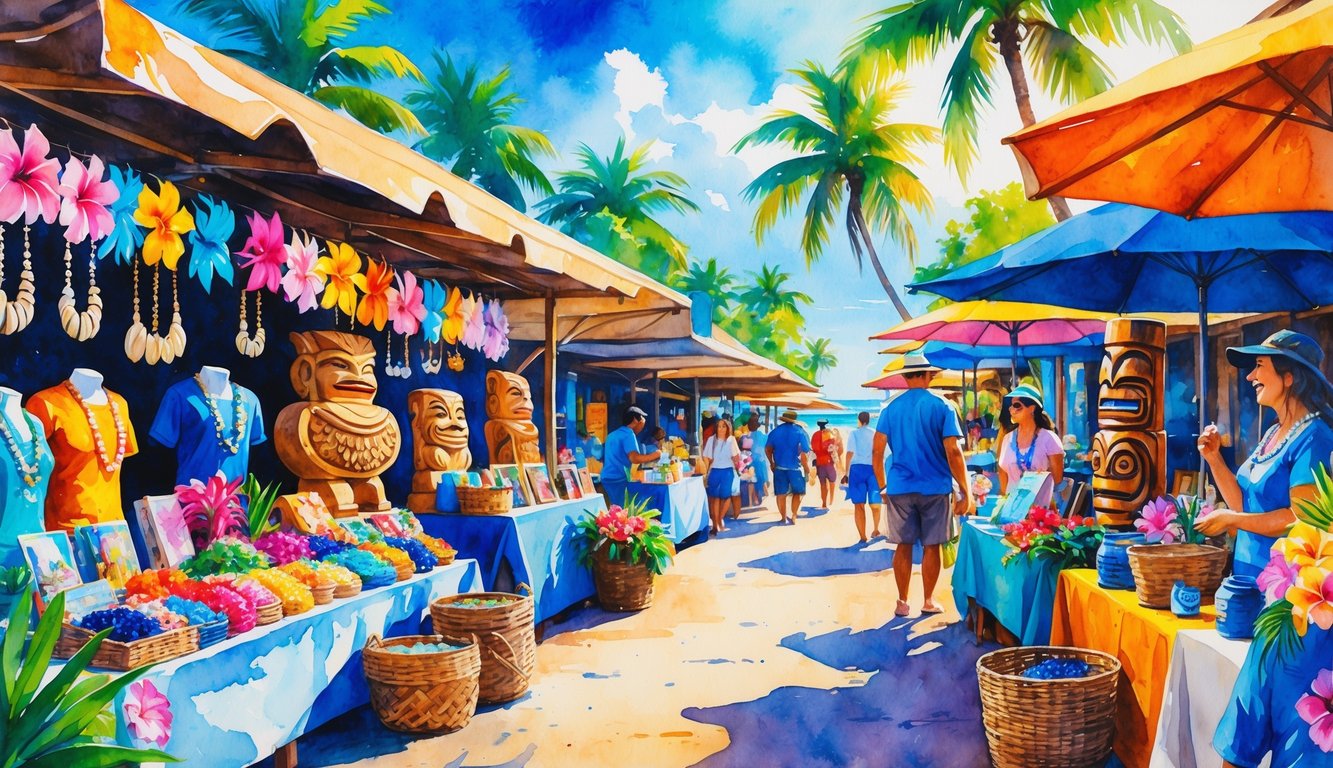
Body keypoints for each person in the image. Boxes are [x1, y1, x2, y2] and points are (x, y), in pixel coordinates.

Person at [1194, 330, 1333, 578]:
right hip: (1247, 575)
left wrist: (1232, 520)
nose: (1250, 376)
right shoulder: (1272, 433)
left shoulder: (1315, 438)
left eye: (1259, 365)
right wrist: (1214, 458)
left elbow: (1299, 519)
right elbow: (1242, 505)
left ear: (1289, 376)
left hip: (1284, 585)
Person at [872, 354, 973, 617]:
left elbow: (877, 451)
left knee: (902, 546)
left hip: (900, 487)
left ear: (905, 377)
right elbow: (953, 450)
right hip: (935, 487)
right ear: (927, 375)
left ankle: (902, 601)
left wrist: (883, 485)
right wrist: (965, 490)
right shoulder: (943, 406)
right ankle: (928, 600)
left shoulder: (890, 409)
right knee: (932, 545)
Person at [996, 384, 1064, 507]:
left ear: (1032, 408)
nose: (1011, 409)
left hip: (1040, 512)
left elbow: (1057, 478)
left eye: (1017, 406)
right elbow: (1002, 474)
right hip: (1011, 511)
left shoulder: (1050, 439)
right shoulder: (1007, 438)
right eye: (1011, 406)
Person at [601, 406, 661, 508]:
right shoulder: (628, 434)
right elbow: (635, 458)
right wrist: (656, 454)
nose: (643, 422)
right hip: (618, 480)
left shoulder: (612, 435)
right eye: (642, 418)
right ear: (634, 420)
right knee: (632, 508)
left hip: (606, 478)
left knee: (614, 509)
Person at [766, 409, 812, 524]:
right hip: (795, 467)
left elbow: (768, 449)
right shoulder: (800, 431)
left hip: (779, 467)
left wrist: (771, 462)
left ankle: (783, 517)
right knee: (797, 492)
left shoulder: (775, 431)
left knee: (781, 494)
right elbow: (805, 450)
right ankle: (794, 515)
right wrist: (806, 467)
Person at [843, 411, 881, 543]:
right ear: (869, 420)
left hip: (857, 470)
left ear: (859, 420)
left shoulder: (854, 433)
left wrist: (845, 472)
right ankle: (876, 529)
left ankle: (863, 536)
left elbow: (849, 452)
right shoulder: (875, 433)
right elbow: (879, 452)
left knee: (859, 505)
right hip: (872, 469)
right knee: (875, 502)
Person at [701, 417, 742, 534]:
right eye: (719, 426)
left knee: (725, 496)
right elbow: (706, 457)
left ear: (727, 428)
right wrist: (706, 469)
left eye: (723, 426)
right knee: (715, 498)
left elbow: (736, 457)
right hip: (715, 471)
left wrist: (735, 459)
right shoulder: (711, 440)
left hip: (728, 471)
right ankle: (715, 524)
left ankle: (719, 519)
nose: (721, 429)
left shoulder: (731, 440)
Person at [811, 419, 840, 509]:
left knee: (822, 484)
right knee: (832, 482)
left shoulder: (814, 435)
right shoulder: (829, 434)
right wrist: (837, 462)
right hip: (828, 462)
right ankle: (831, 500)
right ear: (826, 425)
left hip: (819, 462)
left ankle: (824, 503)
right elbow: (832, 450)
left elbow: (813, 449)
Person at [746, 414, 771, 505]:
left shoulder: (747, 436)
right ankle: (765, 496)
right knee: (762, 479)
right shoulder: (762, 435)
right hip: (760, 460)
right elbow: (768, 445)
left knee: (752, 480)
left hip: (750, 460)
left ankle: (752, 500)